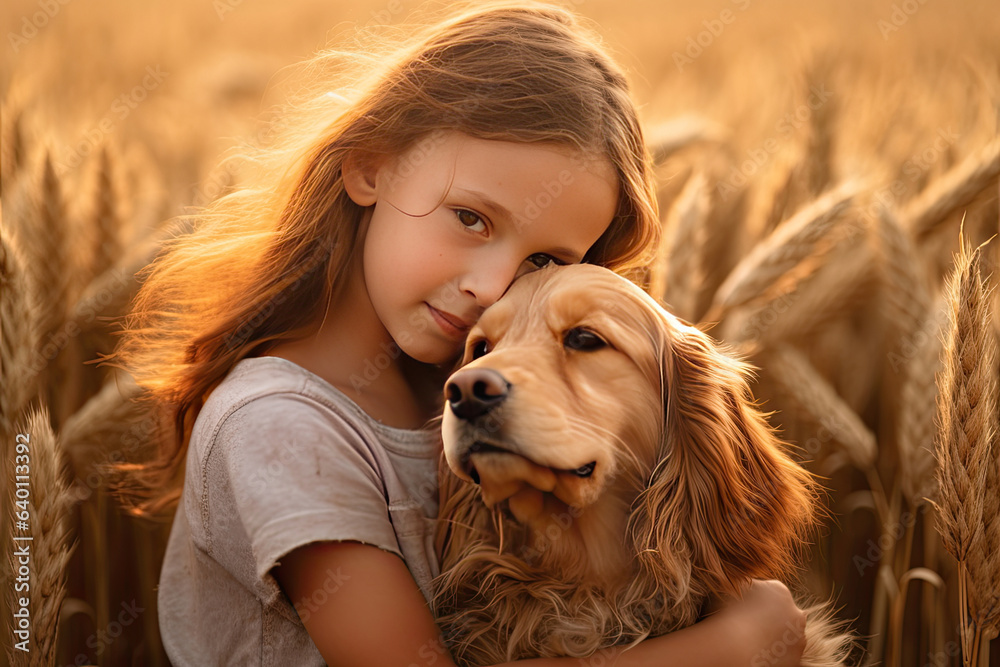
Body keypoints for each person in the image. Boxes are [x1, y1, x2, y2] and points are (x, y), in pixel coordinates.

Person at [115, 2, 808, 665]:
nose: (491, 285)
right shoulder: (278, 425)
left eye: (544, 262)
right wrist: (735, 649)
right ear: (369, 165)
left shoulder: (465, 378)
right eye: (471, 218)